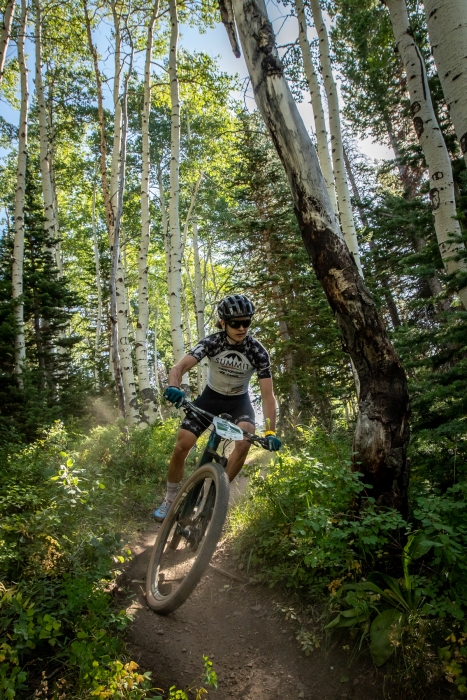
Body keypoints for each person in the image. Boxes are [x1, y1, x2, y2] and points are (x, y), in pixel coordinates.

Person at [153, 294, 281, 521]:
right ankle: (170, 499)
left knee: (245, 440)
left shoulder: (258, 352)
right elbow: (179, 367)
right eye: (235, 323)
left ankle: (215, 497)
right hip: (210, 398)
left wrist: (270, 431)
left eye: (247, 322)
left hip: (238, 402)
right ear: (223, 323)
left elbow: (268, 396)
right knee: (183, 444)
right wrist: (175, 387)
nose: (242, 328)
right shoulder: (213, 342)